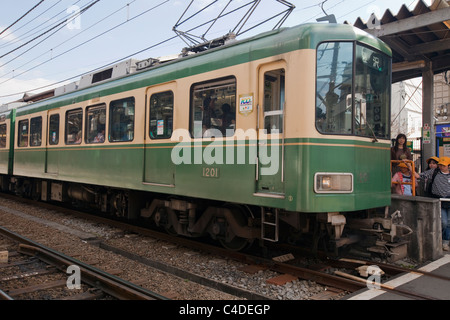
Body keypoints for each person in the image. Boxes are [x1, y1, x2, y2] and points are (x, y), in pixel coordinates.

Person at [412, 157, 450, 251]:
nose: (441, 167)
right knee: (444, 222)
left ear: (448, 166)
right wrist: (410, 166)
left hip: (449, 201)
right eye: (440, 165)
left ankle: (445, 242)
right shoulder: (434, 172)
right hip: (439, 201)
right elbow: (418, 176)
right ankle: (440, 240)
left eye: (443, 165)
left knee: (449, 223)